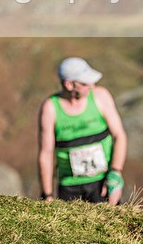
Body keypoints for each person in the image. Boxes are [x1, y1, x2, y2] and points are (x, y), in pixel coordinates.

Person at [38, 57, 128, 204]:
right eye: (85, 83)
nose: (92, 86)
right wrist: (47, 195)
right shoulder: (50, 108)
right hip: (69, 187)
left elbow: (119, 135)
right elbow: (46, 153)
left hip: (103, 183)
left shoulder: (101, 96)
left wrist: (115, 173)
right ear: (69, 84)